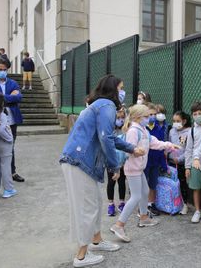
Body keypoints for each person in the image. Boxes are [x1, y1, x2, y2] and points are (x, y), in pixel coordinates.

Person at [59, 75, 145, 267]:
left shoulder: (99, 105)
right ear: (113, 89)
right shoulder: (107, 106)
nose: (123, 92)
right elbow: (106, 138)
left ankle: (96, 240)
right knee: (87, 208)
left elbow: (111, 137)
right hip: (80, 161)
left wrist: (131, 149)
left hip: (81, 161)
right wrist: (114, 165)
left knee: (95, 202)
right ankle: (81, 255)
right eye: (121, 88)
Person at [110, 104, 179, 243]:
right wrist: (135, 151)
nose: (149, 118)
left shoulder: (143, 130)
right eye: (146, 116)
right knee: (136, 196)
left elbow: (153, 142)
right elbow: (128, 149)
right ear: (137, 117)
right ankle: (119, 225)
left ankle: (143, 218)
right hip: (133, 169)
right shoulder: (133, 131)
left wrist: (169, 145)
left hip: (139, 168)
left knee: (145, 191)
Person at [0, 58, 25, 183]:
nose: (2, 72)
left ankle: (12, 172)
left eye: (5, 70)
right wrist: (11, 96)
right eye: (0, 69)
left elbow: (19, 97)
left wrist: (1, 98)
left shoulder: (13, 83)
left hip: (11, 119)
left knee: (11, 146)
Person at [185, 101, 201, 223]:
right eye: (194, 114)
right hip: (195, 164)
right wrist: (187, 167)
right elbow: (189, 149)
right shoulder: (191, 131)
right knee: (196, 188)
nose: (197, 116)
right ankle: (197, 211)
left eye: (200, 113)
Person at [144, 102, 168, 216]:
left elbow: (161, 146)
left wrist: (163, 164)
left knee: (153, 184)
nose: (152, 116)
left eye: (154, 114)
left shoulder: (159, 128)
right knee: (143, 185)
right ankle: (142, 206)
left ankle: (151, 204)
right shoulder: (143, 129)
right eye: (150, 114)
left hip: (155, 161)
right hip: (144, 162)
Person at [168, 110, 192, 215]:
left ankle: (185, 204)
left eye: (178, 121)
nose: (175, 123)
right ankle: (174, 204)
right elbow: (169, 144)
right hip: (171, 163)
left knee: (182, 184)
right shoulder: (171, 131)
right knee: (173, 184)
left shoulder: (189, 132)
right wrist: (168, 154)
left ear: (184, 121)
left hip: (182, 164)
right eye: (174, 121)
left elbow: (189, 149)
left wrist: (180, 159)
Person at [107, 108, 127, 216]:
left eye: (122, 117)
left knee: (122, 182)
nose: (121, 120)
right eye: (118, 118)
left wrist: (124, 161)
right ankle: (110, 204)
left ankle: (122, 203)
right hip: (111, 162)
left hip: (122, 162)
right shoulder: (109, 130)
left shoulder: (126, 130)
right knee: (111, 182)